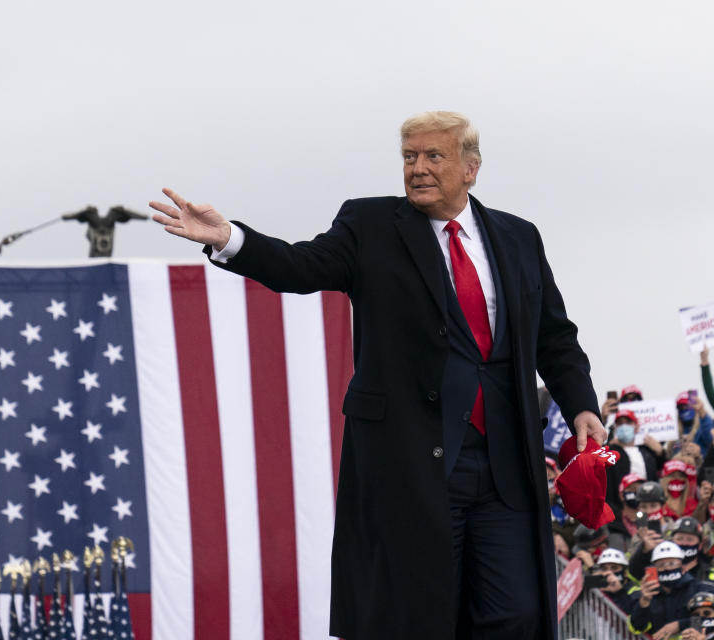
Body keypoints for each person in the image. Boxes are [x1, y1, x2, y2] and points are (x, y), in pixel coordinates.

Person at [149, 111, 606, 639]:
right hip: (415, 461)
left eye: (434, 156)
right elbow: (301, 267)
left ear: (471, 167)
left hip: (506, 463)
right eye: (409, 157)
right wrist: (230, 238)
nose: (418, 169)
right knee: (419, 615)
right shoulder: (369, 226)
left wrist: (581, 406)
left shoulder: (518, 237)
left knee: (517, 611)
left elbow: (554, 336)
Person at [628, 541, 700, 638]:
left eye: (672, 563)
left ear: (682, 566)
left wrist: (679, 625)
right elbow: (637, 627)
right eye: (661, 565)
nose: (667, 568)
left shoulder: (698, 589)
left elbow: (708, 620)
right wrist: (644, 602)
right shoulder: (645, 594)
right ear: (654, 568)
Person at [608, 473, 645, 551]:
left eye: (640, 489)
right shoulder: (612, 522)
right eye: (632, 489)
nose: (637, 492)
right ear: (622, 495)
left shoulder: (651, 518)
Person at [593, 548, 636, 613]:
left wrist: (619, 592)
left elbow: (632, 615)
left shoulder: (637, 593)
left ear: (625, 573)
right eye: (604, 569)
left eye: (614, 568)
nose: (609, 572)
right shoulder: (600, 590)